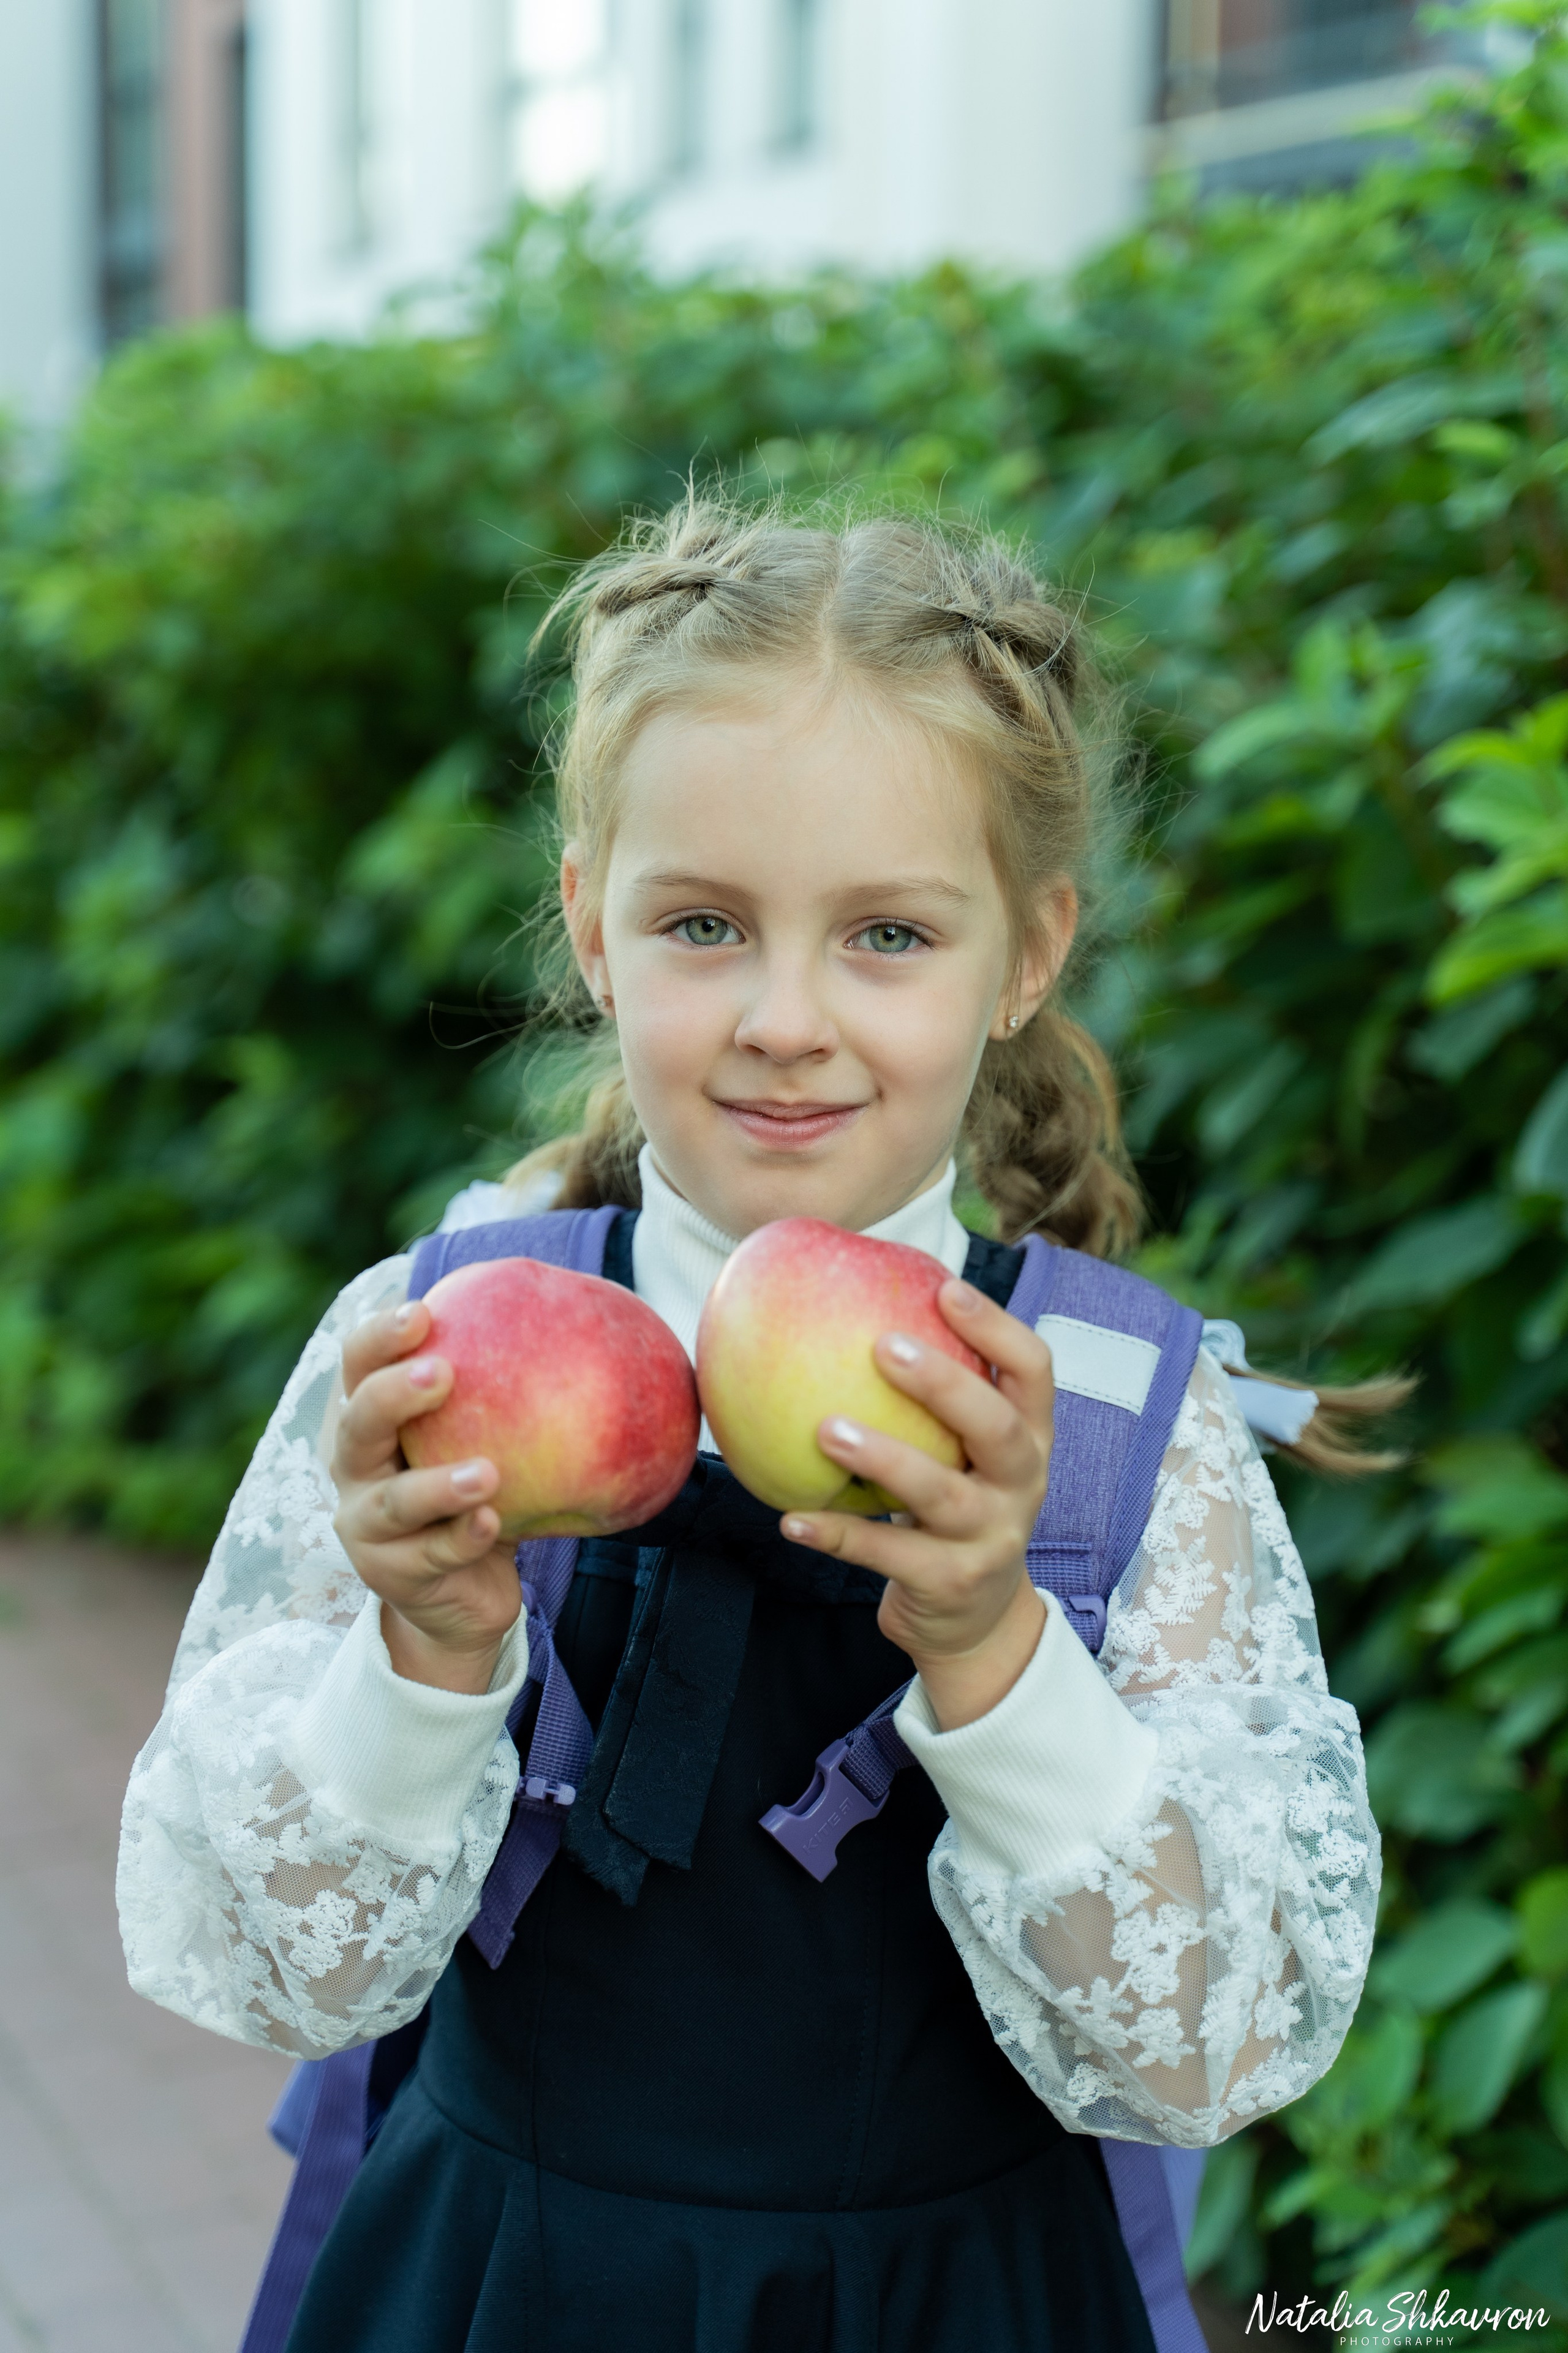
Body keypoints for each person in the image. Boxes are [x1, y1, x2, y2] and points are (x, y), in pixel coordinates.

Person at [118, 500, 1386, 2353]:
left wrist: (996, 1644)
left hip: (956, 2305)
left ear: (1027, 954)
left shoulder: (1119, 1421)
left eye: (888, 934)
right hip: (507, 2286)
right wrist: (425, 1652)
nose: (788, 1019)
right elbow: (272, 1962)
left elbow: (1211, 2048)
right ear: (592, 925)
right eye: (704, 924)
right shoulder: (429, 1346)